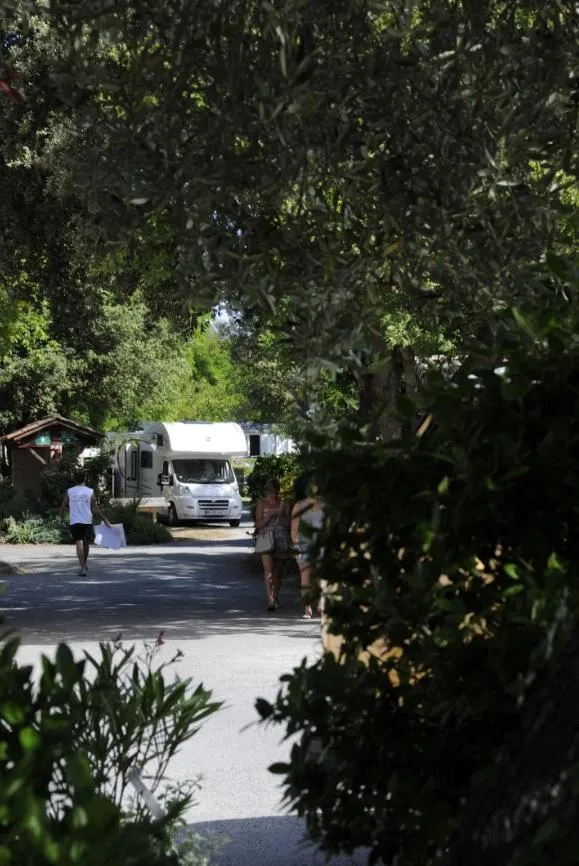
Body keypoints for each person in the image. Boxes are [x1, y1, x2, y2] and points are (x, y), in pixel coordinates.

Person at [60, 468, 111, 576]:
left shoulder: (70, 491)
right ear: (85, 479)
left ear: (74, 479)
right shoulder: (89, 491)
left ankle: (83, 567)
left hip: (75, 521)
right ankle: (84, 565)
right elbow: (94, 508)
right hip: (87, 520)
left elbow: (63, 506)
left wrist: (61, 518)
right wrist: (104, 519)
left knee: (79, 543)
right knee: (86, 543)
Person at [254, 477, 292, 612]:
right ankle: (270, 600)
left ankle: (275, 597)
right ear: (266, 491)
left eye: (275, 491)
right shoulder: (261, 504)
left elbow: (290, 525)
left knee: (279, 572)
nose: (273, 494)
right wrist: (268, 516)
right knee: (268, 570)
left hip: (282, 539)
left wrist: (281, 516)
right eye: (270, 491)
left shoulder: (284, 504)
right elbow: (257, 525)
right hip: (266, 539)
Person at [291, 478, 324, 619]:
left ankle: (322, 604)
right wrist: (296, 546)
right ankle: (307, 608)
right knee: (305, 579)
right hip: (304, 545)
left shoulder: (324, 505)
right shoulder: (299, 506)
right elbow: (294, 529)